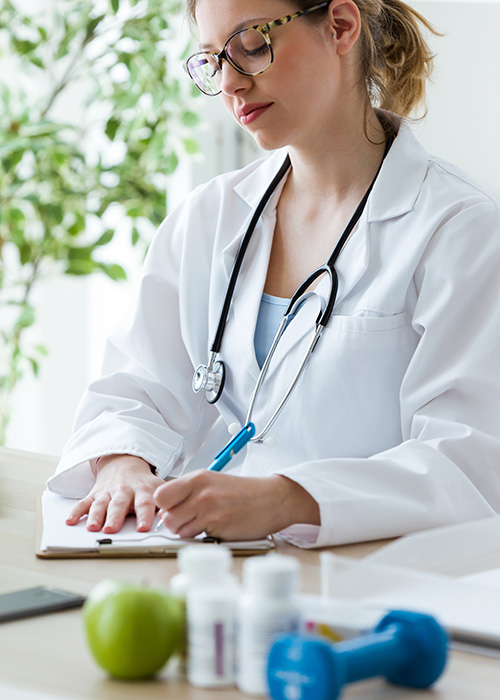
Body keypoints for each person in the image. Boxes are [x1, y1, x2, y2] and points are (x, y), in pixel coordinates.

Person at [47, 0, 500, 548]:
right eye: (215, 59)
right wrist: (122, 463)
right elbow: (136, 388)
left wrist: (288, 497)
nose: (232, 84)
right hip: (211, 569)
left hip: (367, 584)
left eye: (252, 45)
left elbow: (468, 463)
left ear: (340, 26)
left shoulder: (458, 230)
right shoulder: (210, 218)